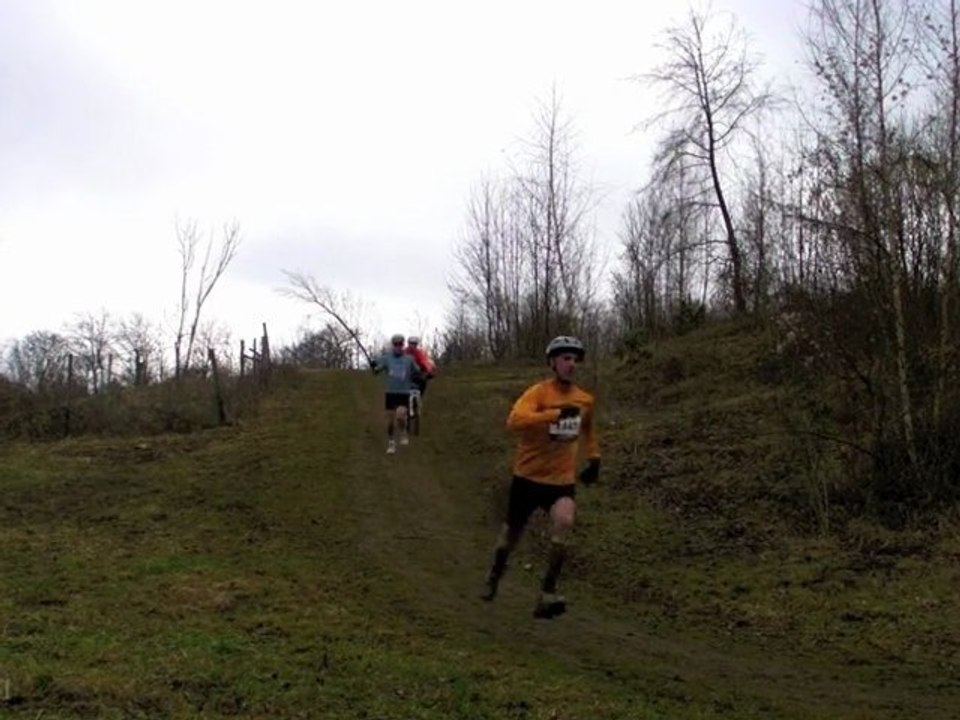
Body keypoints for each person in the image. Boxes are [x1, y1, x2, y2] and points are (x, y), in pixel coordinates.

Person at [481, 335, 601, 619]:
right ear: (552, 363)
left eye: (574, 359)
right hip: (527, 478)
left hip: (561, 482)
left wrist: (594, 459)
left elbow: (589, 432)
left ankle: (547, 593)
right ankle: (495, 575)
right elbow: (514, 421)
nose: (571, 364)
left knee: (565, 521)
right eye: (565, 359)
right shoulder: (538, 394)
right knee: (510, 537)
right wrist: (552, 415)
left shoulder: (584, 399)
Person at [370, 334, 423, 454]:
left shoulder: (409, 359)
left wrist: (421, 376)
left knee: (400, 415)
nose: (398, 346)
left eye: (400, 344)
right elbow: (376, 371)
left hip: (403, 392)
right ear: (393, 345)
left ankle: (403, 431)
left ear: (403, 345)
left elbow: (417, 371)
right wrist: (373, 366)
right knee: (390, 421)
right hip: (390, 392)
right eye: (396, 344)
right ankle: (391, 443)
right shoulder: (386, 358)